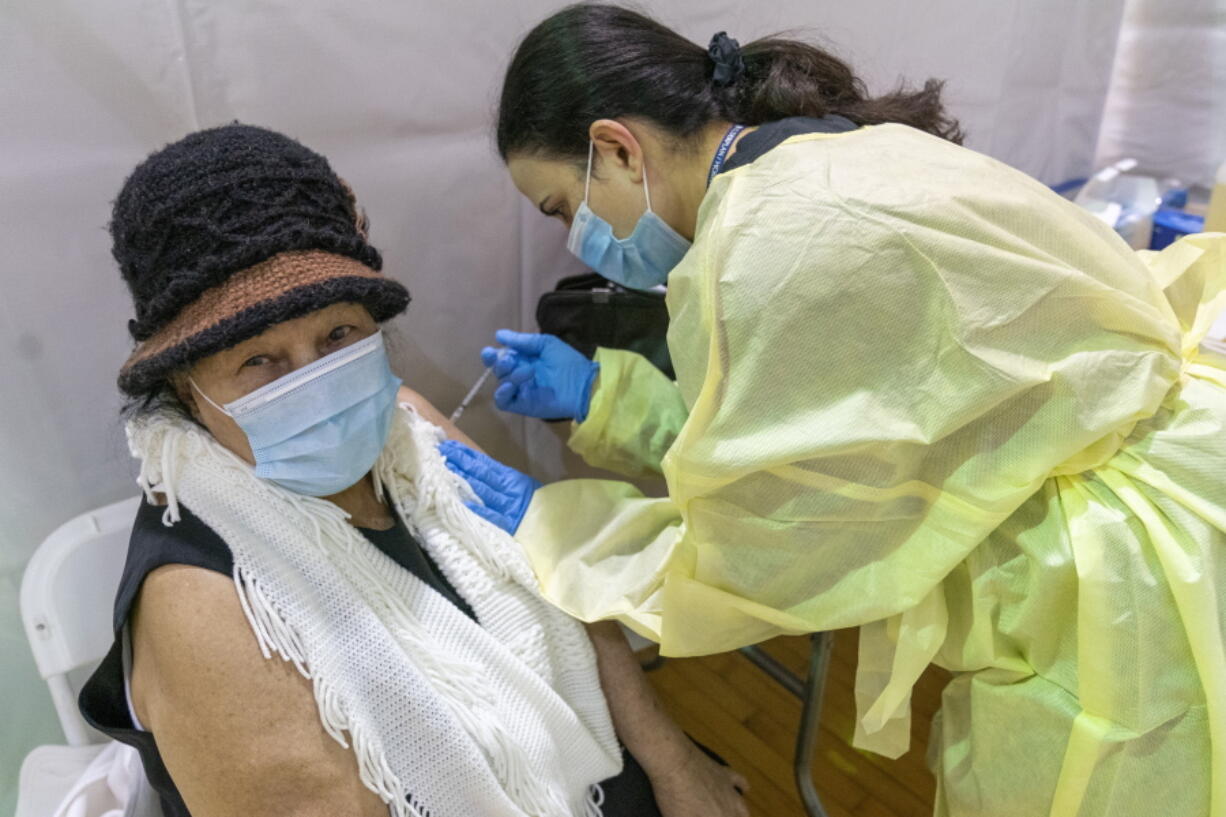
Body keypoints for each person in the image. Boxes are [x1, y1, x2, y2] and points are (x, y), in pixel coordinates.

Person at [441, 5, 1226, 816]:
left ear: (615, 148)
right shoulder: (821, 155)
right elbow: (835, 436)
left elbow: (757, 552)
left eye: (561, 207)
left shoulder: (758, 251)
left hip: (1120, 588)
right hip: (1188, 466)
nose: (577, 237)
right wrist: (602, 395)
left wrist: (559, 528)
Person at [78, 124, 749, 817]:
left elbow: (566, 591)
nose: (317, 381)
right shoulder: (203, 599)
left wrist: (674, 763)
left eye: (338, 334)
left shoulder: (407, 424)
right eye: (259, 360)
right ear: (189, 386)